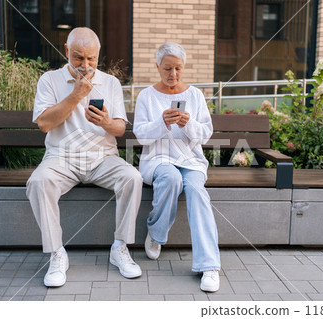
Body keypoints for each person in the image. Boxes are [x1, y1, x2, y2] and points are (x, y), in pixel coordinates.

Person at [26, 27, 143, 287]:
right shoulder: (49, 80)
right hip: (61, 158)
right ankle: (57, 253)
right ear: (67, 51)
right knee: (37, 182)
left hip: (103, 158)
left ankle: (120, 247)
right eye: (79, 57)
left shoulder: (110, 83)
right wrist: (76, 95)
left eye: (91, 58)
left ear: (98, 55)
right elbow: (44, 124)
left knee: (132, 177)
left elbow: (121, 129)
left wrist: (106, 123)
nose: (85, 65)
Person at [133, 42, 221, 292]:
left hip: (191, 160)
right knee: (170, 178)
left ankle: (209, 266)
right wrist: (162, 123)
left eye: (178, 69)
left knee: (196, 190)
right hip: (158, 159)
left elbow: (204, 134)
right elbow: (140, 136)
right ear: (157, 66)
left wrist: (187, 124)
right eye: (168, 68)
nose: (173, 74)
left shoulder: (194, 95)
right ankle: (157, 234)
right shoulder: (147, 96)